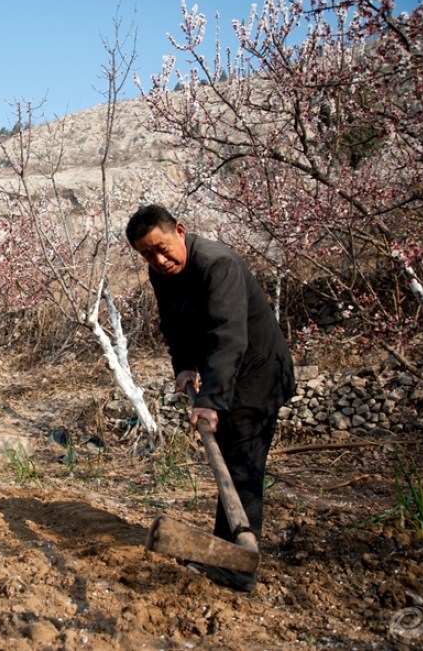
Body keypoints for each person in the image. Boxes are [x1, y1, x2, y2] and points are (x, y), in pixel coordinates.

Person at [125, 203, 295, 592]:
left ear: (180, 231)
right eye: (147, 254)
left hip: (259, 372)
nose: (159, 259)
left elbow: (228, 336)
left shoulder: (218, 265)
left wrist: (210, 399)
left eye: (162, 247)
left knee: (242, 463)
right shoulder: (162, 273)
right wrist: (184, 365)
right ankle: (226, 551)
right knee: (234, 459)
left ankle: (238, 568)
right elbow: (174, 325)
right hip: (228, 370)